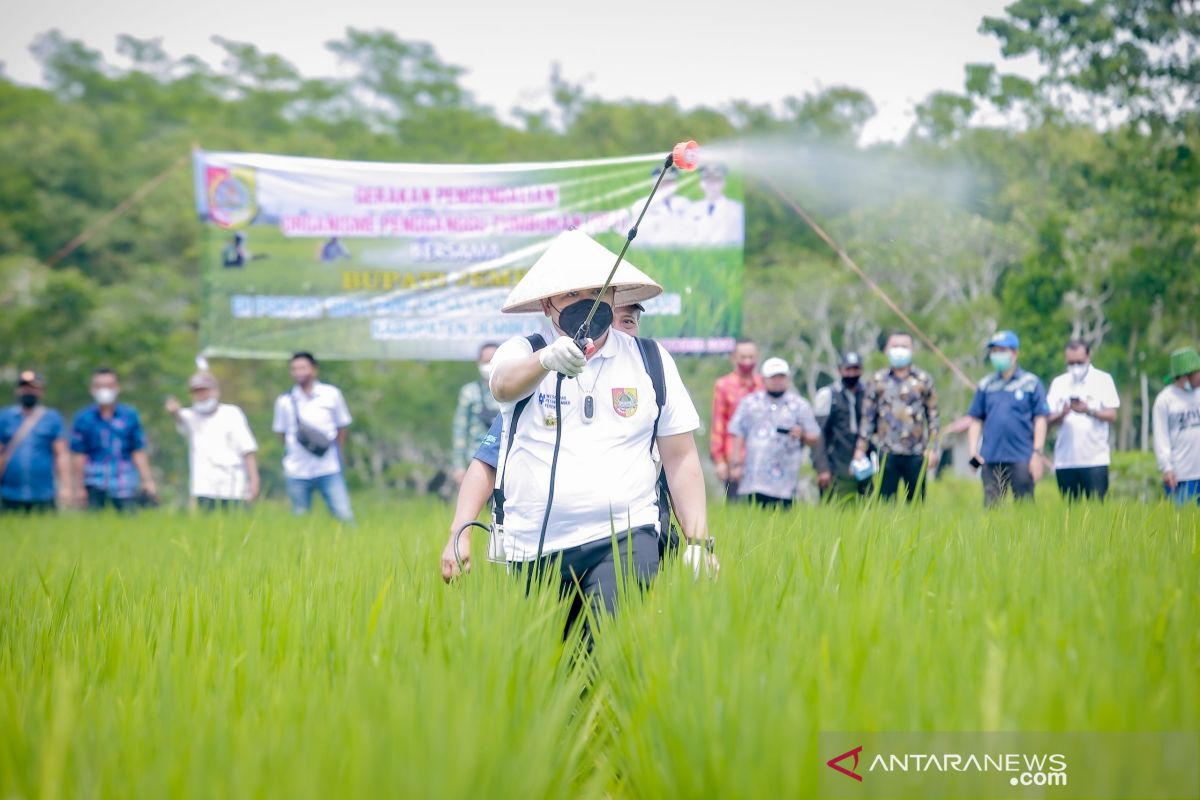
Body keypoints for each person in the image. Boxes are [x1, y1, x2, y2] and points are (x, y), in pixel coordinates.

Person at [450, 229, 713, 639]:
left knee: (603, 641)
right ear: (547, 303)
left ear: (613, 295)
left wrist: (698, 541)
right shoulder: (521, 353)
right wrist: (545, 361)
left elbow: (680, 456)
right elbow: (503, 385)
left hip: (627, 532)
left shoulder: (650, 361)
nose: (585, 302)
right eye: (570, 294)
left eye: (596, 290)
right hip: (535, 544)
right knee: (558, 666)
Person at [441, 303, 645, 582]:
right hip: (551, 545)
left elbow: (677, 458)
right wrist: (460, 533)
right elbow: (488, 460)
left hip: (633, 537)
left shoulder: (647, 382)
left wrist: (698, 540)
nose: (615, 331)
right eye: (606, 321)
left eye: (628, 323)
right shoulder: (545, 383)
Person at [854, 332, 941, 502]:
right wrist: (860, 449)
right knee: (885, 504)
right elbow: (868, 418)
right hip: (886, 452)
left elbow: (933, 417)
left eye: (904, 346)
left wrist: (933, 448)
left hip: (916, 453)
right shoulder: (878, 380)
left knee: (915, 505)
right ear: (886, 350)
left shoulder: (923, 380)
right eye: (895, 346)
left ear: (912, 350)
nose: (899, 350)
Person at [966, 330, 1050, 506]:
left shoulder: (1030, 383)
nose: (998, 355)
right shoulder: (986, 385)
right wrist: (973, 451)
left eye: (1002, 350)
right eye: (994, 351)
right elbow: (975, 420)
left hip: (1022, 457)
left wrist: (1037, 454)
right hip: (991, 458)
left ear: (1015, 353)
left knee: (1025, 508)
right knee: (992, 509)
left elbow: (1040, 419)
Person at [727, 357, 821, 510]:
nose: (777, 381)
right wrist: (735, 464)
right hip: (754, 478)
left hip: (785, 481)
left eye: (781, 377)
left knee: (782, 522)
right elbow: (737, 432)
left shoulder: (799, 405)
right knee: (754, 520)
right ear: (763, 379)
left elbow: (814, 436)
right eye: (773, 377)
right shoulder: (750, 403)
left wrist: (801, 434)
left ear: (788, 379)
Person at [271, 352, 354, 522]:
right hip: (297, 469)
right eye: (294, 369)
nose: (298, 372)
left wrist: (337, 451)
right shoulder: (285, 401)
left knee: (343, 514)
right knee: (300, 517)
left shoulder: (331, 395)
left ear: (314, 370)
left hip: (328, 466)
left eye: (303, 367)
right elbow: (281, 433)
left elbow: (342, 427)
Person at [166, 371, 260, 511]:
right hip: (205, 489)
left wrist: (254, 480)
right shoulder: (191, 417)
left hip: (234, 488)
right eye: (197, 392)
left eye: (204, 390)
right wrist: (174, 411)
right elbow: (180, 418)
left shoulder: (231, 414)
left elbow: (247, 449)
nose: (201, 396)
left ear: (215, 391)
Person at [70, 367, 156, 511]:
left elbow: (138, 450)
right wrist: (79, 487)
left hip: (125, 483)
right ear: (92, 389)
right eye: (100, 386)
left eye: (109, 386)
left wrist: (147, 481)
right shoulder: (83, 418)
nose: (105, 390)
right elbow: (79, 455)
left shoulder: (129, 415)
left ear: (117, 388)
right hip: (94, 482)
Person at [1046, 340, 1120, 501]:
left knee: (1096, 511)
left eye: (1079, 362)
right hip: (1065, 461)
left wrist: (1089, 410)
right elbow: (1047, 420)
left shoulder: (1103, 380)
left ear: (1088, 356)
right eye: (1071, 363)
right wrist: (1062, 414)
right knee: (1070, 512)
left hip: (1095, 460)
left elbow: (1112, 415)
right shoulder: (1059, 383)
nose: (1075, 367)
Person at [0, 371, 70, 513]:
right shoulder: (5, 417)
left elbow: (61, 454)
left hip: (43, 493)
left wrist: (65, 487)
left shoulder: (52, 418)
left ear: (41, 392)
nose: (28, 392)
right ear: (17, 390)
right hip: (9, 493)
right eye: (25, 388)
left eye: (33, 388)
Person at [711, 339, 763, 500]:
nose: (747, 361)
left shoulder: (763, 384)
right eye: (743, 357)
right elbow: (718, 423)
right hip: (733, 460)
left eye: (751, 357)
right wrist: (719, 461)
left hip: (762, 458)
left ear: (757, 357)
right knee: (737, 513)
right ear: (733, 358)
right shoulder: (724, 385)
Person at [813, 352, 868, 501]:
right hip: (835, 460)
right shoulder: (828, 395)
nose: (852, 373)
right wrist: (822, 467)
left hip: (862, 458)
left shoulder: (868, 393)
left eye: (855, 369)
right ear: (840, 370)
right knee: (834, 504)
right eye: (848, 369)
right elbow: (818, 434)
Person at [1151, 346, 1200, 505]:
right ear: (1184, 376)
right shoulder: (1165, 400)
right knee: (1182, 523)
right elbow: (1161, 437)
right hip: (1181, 474)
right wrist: (1167, 468)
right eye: (1196, 373)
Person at [450, 343, 501, 485]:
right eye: (485, 362)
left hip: (505, 461)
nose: (489, 366)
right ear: (478, 362)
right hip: (475, 460)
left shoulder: (513, 391)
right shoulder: (469, 392)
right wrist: (458, 466)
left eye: (493, 361)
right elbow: (460, 429)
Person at [690, 164, 744, 245]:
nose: (711, 185)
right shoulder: (692, 209)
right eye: (707, 181)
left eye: (715, 181)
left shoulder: (737, 209)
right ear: (701, 184)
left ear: (723, 183)